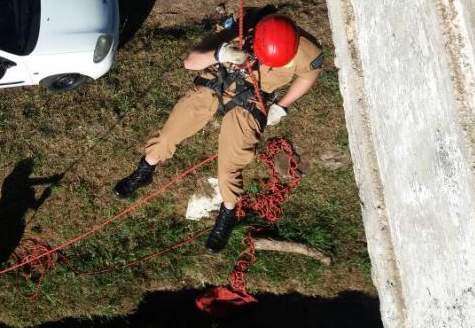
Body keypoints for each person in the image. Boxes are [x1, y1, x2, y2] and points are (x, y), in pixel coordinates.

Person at [112, 13, 323, 253]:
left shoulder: (306, 50)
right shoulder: (243, 28)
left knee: (231, 164)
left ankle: (229, 211)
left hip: (252, 97)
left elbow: (309, 75)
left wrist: (281, 106)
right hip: (219, 79)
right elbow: (191, 61)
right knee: (170, 133)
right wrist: (219, 54)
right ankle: (146, 168)